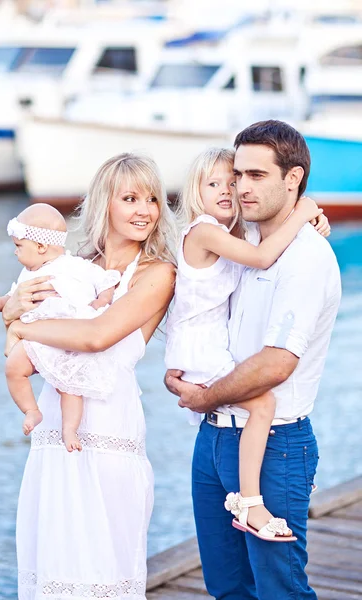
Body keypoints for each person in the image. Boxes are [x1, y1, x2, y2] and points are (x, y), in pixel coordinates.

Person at [165, 121, 341, 600]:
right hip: (215, 439)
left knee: (279, 588)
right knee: (227, 587)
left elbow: (275, 364)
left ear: (293, 178)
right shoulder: (239, 244)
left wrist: (204, 396)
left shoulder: (306, 257)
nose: (241, 187)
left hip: (275, 445)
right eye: (236, 174)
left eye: (256, 175)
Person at [2, 153, 176, 600]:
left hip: (109, 428)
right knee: (54, 559)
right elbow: (22, 334)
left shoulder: (158, 273)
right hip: (55, 428)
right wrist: (12, 311)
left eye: (152, 199)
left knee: (102, 566)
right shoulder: (70, 265)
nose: (144, 210)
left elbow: (97, 336)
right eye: (130, 198)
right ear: (105, 204)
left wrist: (21, 323)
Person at [0, 203, 121, 452]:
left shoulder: (77, 266)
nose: (15, 252)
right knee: (13, 368)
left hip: (68, 335)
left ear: (41, 246)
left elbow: (107, 280)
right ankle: (31, 410)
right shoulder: (27, 275)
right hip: (39, 337)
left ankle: (70, 429)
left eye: (18, 246)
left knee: (69, 387)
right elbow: (12, 298)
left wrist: (101, 300)